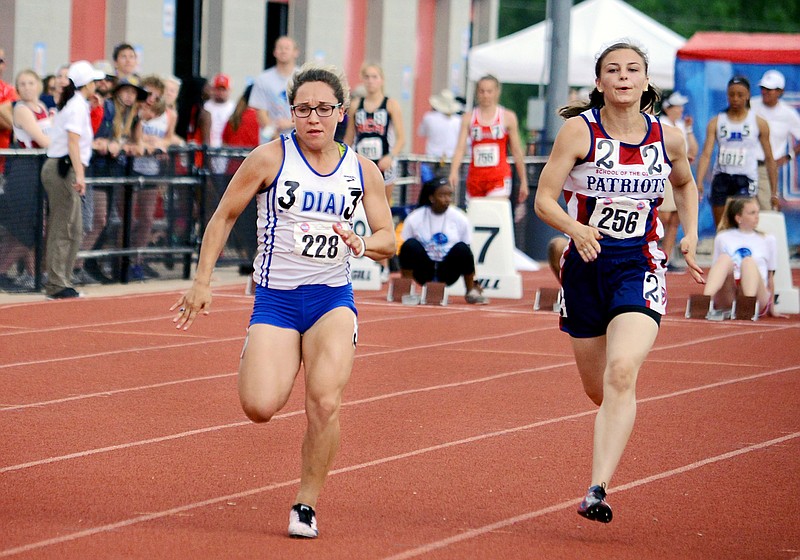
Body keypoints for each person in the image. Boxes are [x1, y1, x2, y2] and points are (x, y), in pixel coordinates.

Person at [170, 63, 395, 539]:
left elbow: (387, 239)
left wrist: (360, 241)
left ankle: (306, 503)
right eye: (302, 109)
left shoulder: (362, 169)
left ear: (341, 112)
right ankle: (264, 350)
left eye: (323, 108)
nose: (313, 118)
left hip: (332, 298)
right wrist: (202, 281)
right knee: (259, 407)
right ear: (291, 112)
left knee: (325, 401)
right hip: (276, 299)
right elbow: (222, 217)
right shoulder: (269, 158)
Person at [533, 41, 705, 523]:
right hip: (586, 267)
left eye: (633, 70)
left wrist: (689, 235)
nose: (624, 77)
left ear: (647, 81)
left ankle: (597, 489)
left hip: (641, 265)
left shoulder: (668, 138)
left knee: (623, 371)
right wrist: (576, 229)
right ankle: (617, 414)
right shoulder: (577, 133)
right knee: (601, 391)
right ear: (599, 82)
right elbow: (545, 200)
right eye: (614, 70)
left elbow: (686, 183)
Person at [41, 60, 105, 299]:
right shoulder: (76, 106)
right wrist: (79, 174)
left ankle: (63, 280)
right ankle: (57, 283)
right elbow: (73, 143)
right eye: (94, 81)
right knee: (64, 226)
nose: (97, 85)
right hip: (63, 168)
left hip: (65, 167)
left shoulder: (77, 105)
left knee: (74, 227)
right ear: (86, 83)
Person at [343, 62, 406, 282]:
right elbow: (349, 137)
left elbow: (401, 137)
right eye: (367, 77)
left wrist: (391, 157)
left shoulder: (390, 105)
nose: (371, 81)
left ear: (382, 80)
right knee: (356, 210)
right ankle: (354, 259)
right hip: (361, 166)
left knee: (382, 214)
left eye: (375, 77)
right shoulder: (356, 106)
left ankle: (385, 264)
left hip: (383, 166)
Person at [695, 76, 777, 227]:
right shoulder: (716, 122)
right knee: (721, 226)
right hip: (722, 178)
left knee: (743, 224)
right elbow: (706, 154)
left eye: (740, 95)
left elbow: (769, 159)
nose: (735, 99)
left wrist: (774, 191)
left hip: (745, 179)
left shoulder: (758, 123)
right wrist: (699, 182)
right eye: (731, 94)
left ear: (747, 96)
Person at [0, 68, 52, 292]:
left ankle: (34, 274)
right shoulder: (20, 109)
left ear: (38, 84)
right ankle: (3, 271)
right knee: (24, 228)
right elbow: (42, 139)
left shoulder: (44, 108)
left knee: (37, 226)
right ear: (18, 89)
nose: (28, 87)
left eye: (31, 82)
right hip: (25, 169)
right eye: (23, 84)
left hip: (41, 169)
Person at [398, 177, 489, 304]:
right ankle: (405, 289)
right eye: (442, 195)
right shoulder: (415, 218)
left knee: (463, 248)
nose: (447, 200)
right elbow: (404, 248)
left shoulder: (460, 218)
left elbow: (467, 252)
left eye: (449, 195)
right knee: (409, 245)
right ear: (431, 198)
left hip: (448, 271)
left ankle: (471, 290)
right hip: (424, 270)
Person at [448, 75, 529, 207]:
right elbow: (460, 148)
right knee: (476, 218)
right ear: (477, 93)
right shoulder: (468, 118)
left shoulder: (507, 117)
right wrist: (453, 172)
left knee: (494, 213)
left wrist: (523, 180)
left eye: (489, 91)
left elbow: (516, 150)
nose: (485, 95)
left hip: (498, 178)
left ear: (497, 92)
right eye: (482, 91)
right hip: (475, 178)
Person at [700, 197, 779, 319]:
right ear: (738, 218)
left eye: (758, 212)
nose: (757, 216)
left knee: (748, 261)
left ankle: (747, 305)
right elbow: (717, 271)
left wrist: (773, 308)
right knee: (724, 259)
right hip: (730, 290)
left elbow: (770, 277)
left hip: (757, 291)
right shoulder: (723, 237)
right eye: (752, 213)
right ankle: (703, 302)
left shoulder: (768, 239)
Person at [659, 91, 699, 267]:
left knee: (675, 219)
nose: (681, 109)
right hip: (665, 173)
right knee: (663, 217)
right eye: (677, 106)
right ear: (668, 108)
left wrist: (689, 129)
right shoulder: (662, 124)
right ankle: (654, 252)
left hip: (679, 172)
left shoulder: (681, 125)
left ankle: (665, 259)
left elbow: (693, 151)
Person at [751, 69, 800, 211]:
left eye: (769, 89)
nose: (765, 92)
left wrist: (788, 156)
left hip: (767, 168)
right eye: (763, 88)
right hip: (745, 165)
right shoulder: (751, 105)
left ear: (780, 91)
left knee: (768, 210)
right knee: (742, 210)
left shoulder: (787, 113)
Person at [249, 36, 300, 142]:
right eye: (280, 48)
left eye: (287, 48)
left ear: (295, 52)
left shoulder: (303, 77)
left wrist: (290, 123)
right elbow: (261, 113)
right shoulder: (263, 79)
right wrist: (276, 138)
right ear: (274, 52)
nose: (283, 51)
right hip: (270, 140)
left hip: (298, 139)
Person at [203, 73, 235, 148]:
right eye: (218, 89)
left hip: (228, 149)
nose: (220, 92)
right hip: (210, 148)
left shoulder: (233, 108)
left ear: (229, 90)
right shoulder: (206, 107)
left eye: (223, 89)